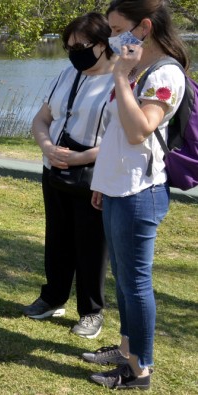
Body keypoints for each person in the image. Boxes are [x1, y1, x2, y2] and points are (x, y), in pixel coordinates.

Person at [85, 0, 187, 390]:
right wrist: (101, 182)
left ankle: (139, 369)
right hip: (117, 189)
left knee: (136, 283)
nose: (111, 36)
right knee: (124, 282)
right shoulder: (140, 69)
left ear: (144, 27)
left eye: (116, 28)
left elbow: (138, 130)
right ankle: (128, 348)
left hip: (139, 193)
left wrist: (120, 75)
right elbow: (115, 136)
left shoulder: (165, 74)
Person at [25, 13, 115, 340]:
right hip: (55, 169)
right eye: (69, 45)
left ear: (103, 45)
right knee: (58, 237)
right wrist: (47, 146)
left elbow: (121, 138)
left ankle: (91, 311)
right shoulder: (66, 75)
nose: (73, 51)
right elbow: (41, 119)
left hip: (93, 174)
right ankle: (52, 297)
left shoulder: (121, 82)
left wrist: (81, 157)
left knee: (91, 246)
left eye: (80, 45)